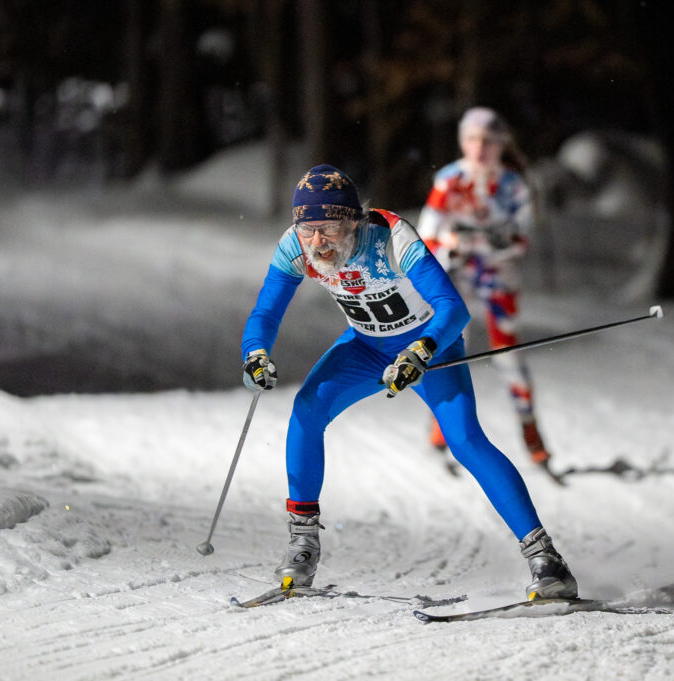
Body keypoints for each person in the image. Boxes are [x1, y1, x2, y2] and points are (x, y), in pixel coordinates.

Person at [240, 164, 577, 601]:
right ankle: (303, 544)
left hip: (429, 348)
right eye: (308, 230)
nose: (318, 242)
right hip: (364, 347)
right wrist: (256, 353)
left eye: (328, 228)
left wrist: (421, 351)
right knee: (307, 410)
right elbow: (266, 314)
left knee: (465, 440)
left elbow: (453, 309)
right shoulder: (295, 246)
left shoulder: (391, 236)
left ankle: (546, 559)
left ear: (353, 221)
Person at [417, 107, 553, 470]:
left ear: (501, 145)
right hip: (457, 274)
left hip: (497, 276)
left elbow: (519, 240)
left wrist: (480, 241)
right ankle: (443, 423)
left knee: (508, 351)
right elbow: (427, 234)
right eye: (473, 140)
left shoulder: (513, 185)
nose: (480, 149)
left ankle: (528, 424)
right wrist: (452, 244)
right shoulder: (449, 179)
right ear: (463, 141)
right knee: (448, 345)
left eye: (489, 141)